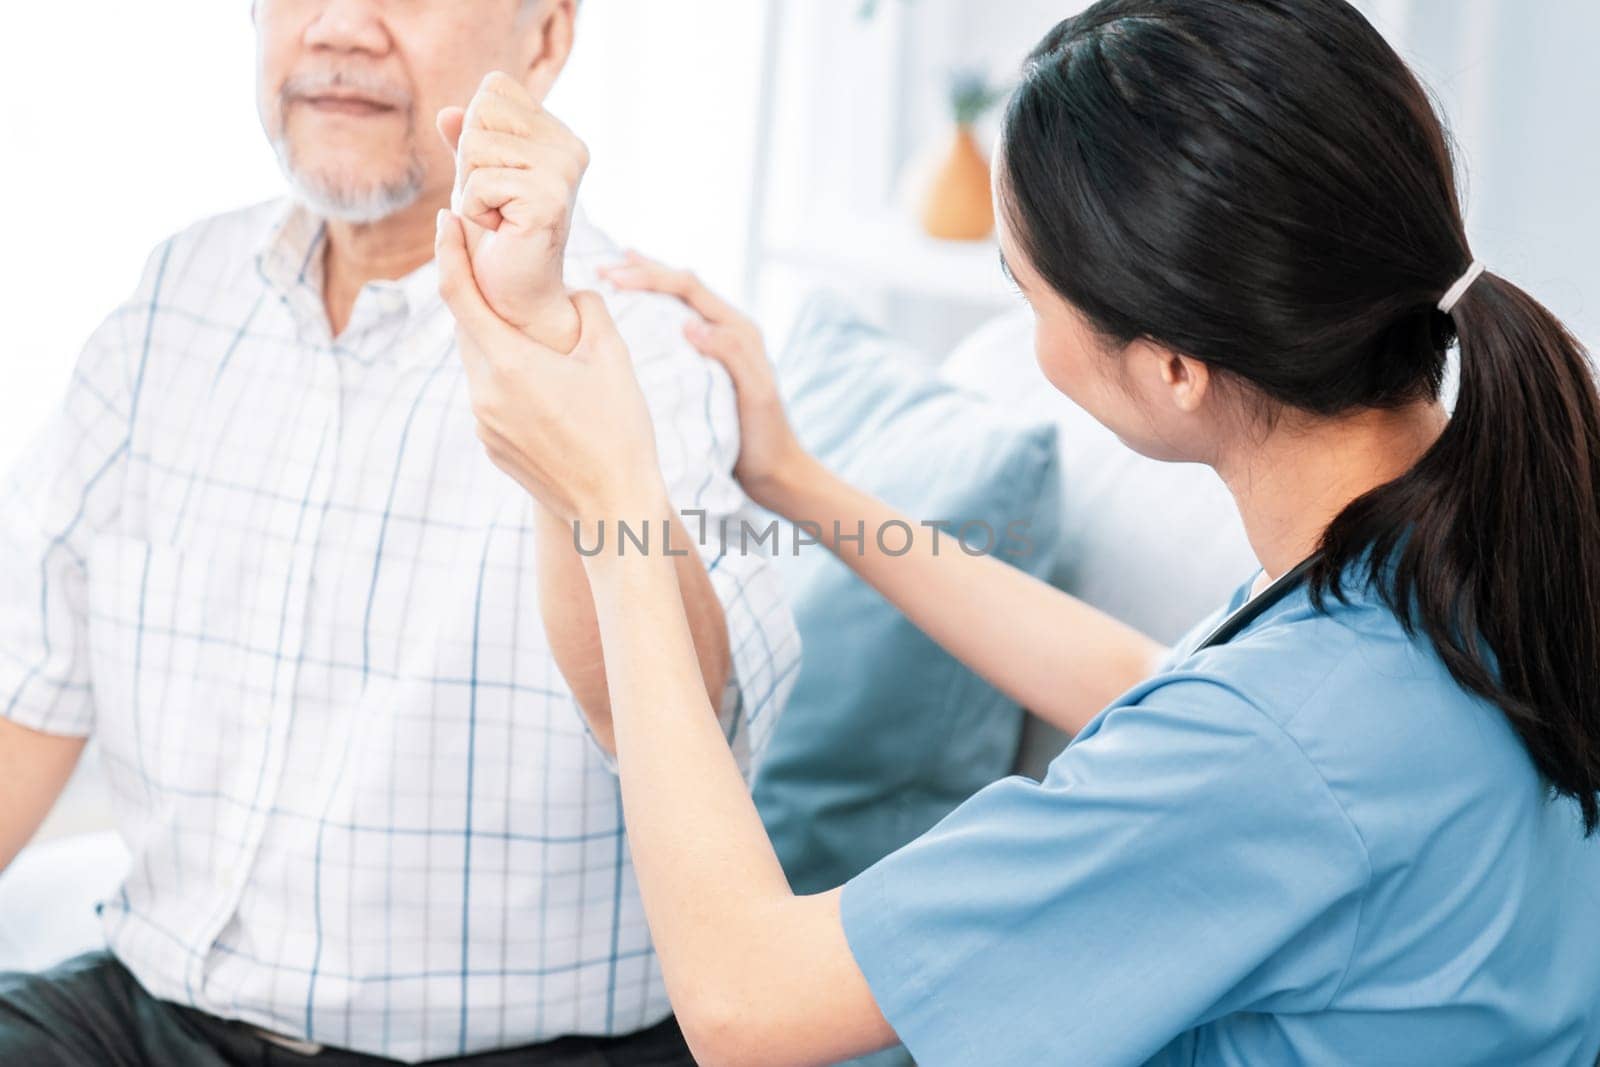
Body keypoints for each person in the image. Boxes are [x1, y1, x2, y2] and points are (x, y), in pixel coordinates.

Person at [432, 0, 1600, 1063]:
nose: (1028, 332)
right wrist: (793, 477)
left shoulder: (1284, 738)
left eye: (1027, 291)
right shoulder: (1462, 547)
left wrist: (610, 496)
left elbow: (749, 1002)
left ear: (1175, 366)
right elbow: (1145, 681)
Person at [0, 1, 797, 1063]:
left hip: (515, 1048)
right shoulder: (171, 299)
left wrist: (539, 348)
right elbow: (29, 693)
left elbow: (690, 713)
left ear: (544, 42)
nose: (338, 26)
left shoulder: (639, 337)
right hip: (152, 1013)